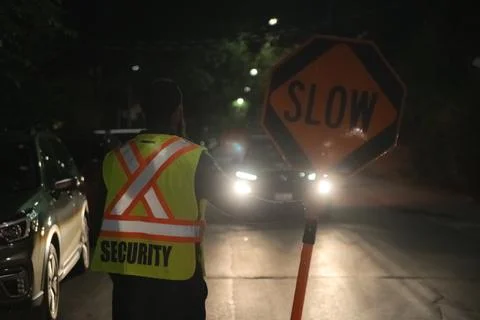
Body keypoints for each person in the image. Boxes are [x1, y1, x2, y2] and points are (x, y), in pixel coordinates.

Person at [90, 78, 294, 320]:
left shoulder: (115, 160)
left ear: (142, 111)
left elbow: (96, 225)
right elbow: (242, 206)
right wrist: (296, 208)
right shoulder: (193, 159)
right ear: (178, 112)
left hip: (129, 291)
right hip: (179, 289)